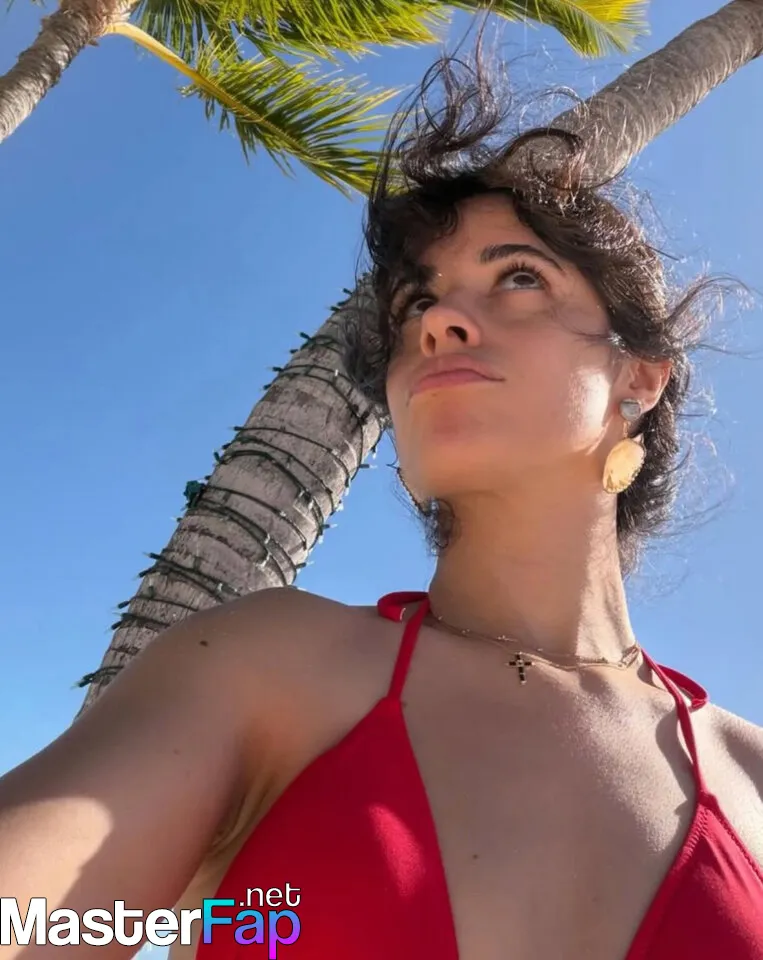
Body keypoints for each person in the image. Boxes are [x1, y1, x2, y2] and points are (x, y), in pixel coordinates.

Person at [2, 47, 763, 960]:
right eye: (413, 305)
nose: (436, 322)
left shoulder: (750, 774)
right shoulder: (264, 670)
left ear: (638, 376)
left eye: (519, 277)